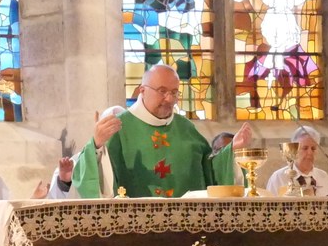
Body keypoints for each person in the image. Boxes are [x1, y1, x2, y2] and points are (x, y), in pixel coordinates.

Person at [53, 64, 252, 198]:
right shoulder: (119, 127)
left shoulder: (186, 128)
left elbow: (210, 170)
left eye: (174, 92)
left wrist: (231, 152)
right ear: (142, 90)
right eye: (162, 91)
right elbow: (91, 182)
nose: (169, 99)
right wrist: (96, 145)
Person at [264, 125, 328, 197]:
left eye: (313, 148)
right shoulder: (278, 178)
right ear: (294, 150)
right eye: (305, 148)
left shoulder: (325, 178)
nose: (310, 153)